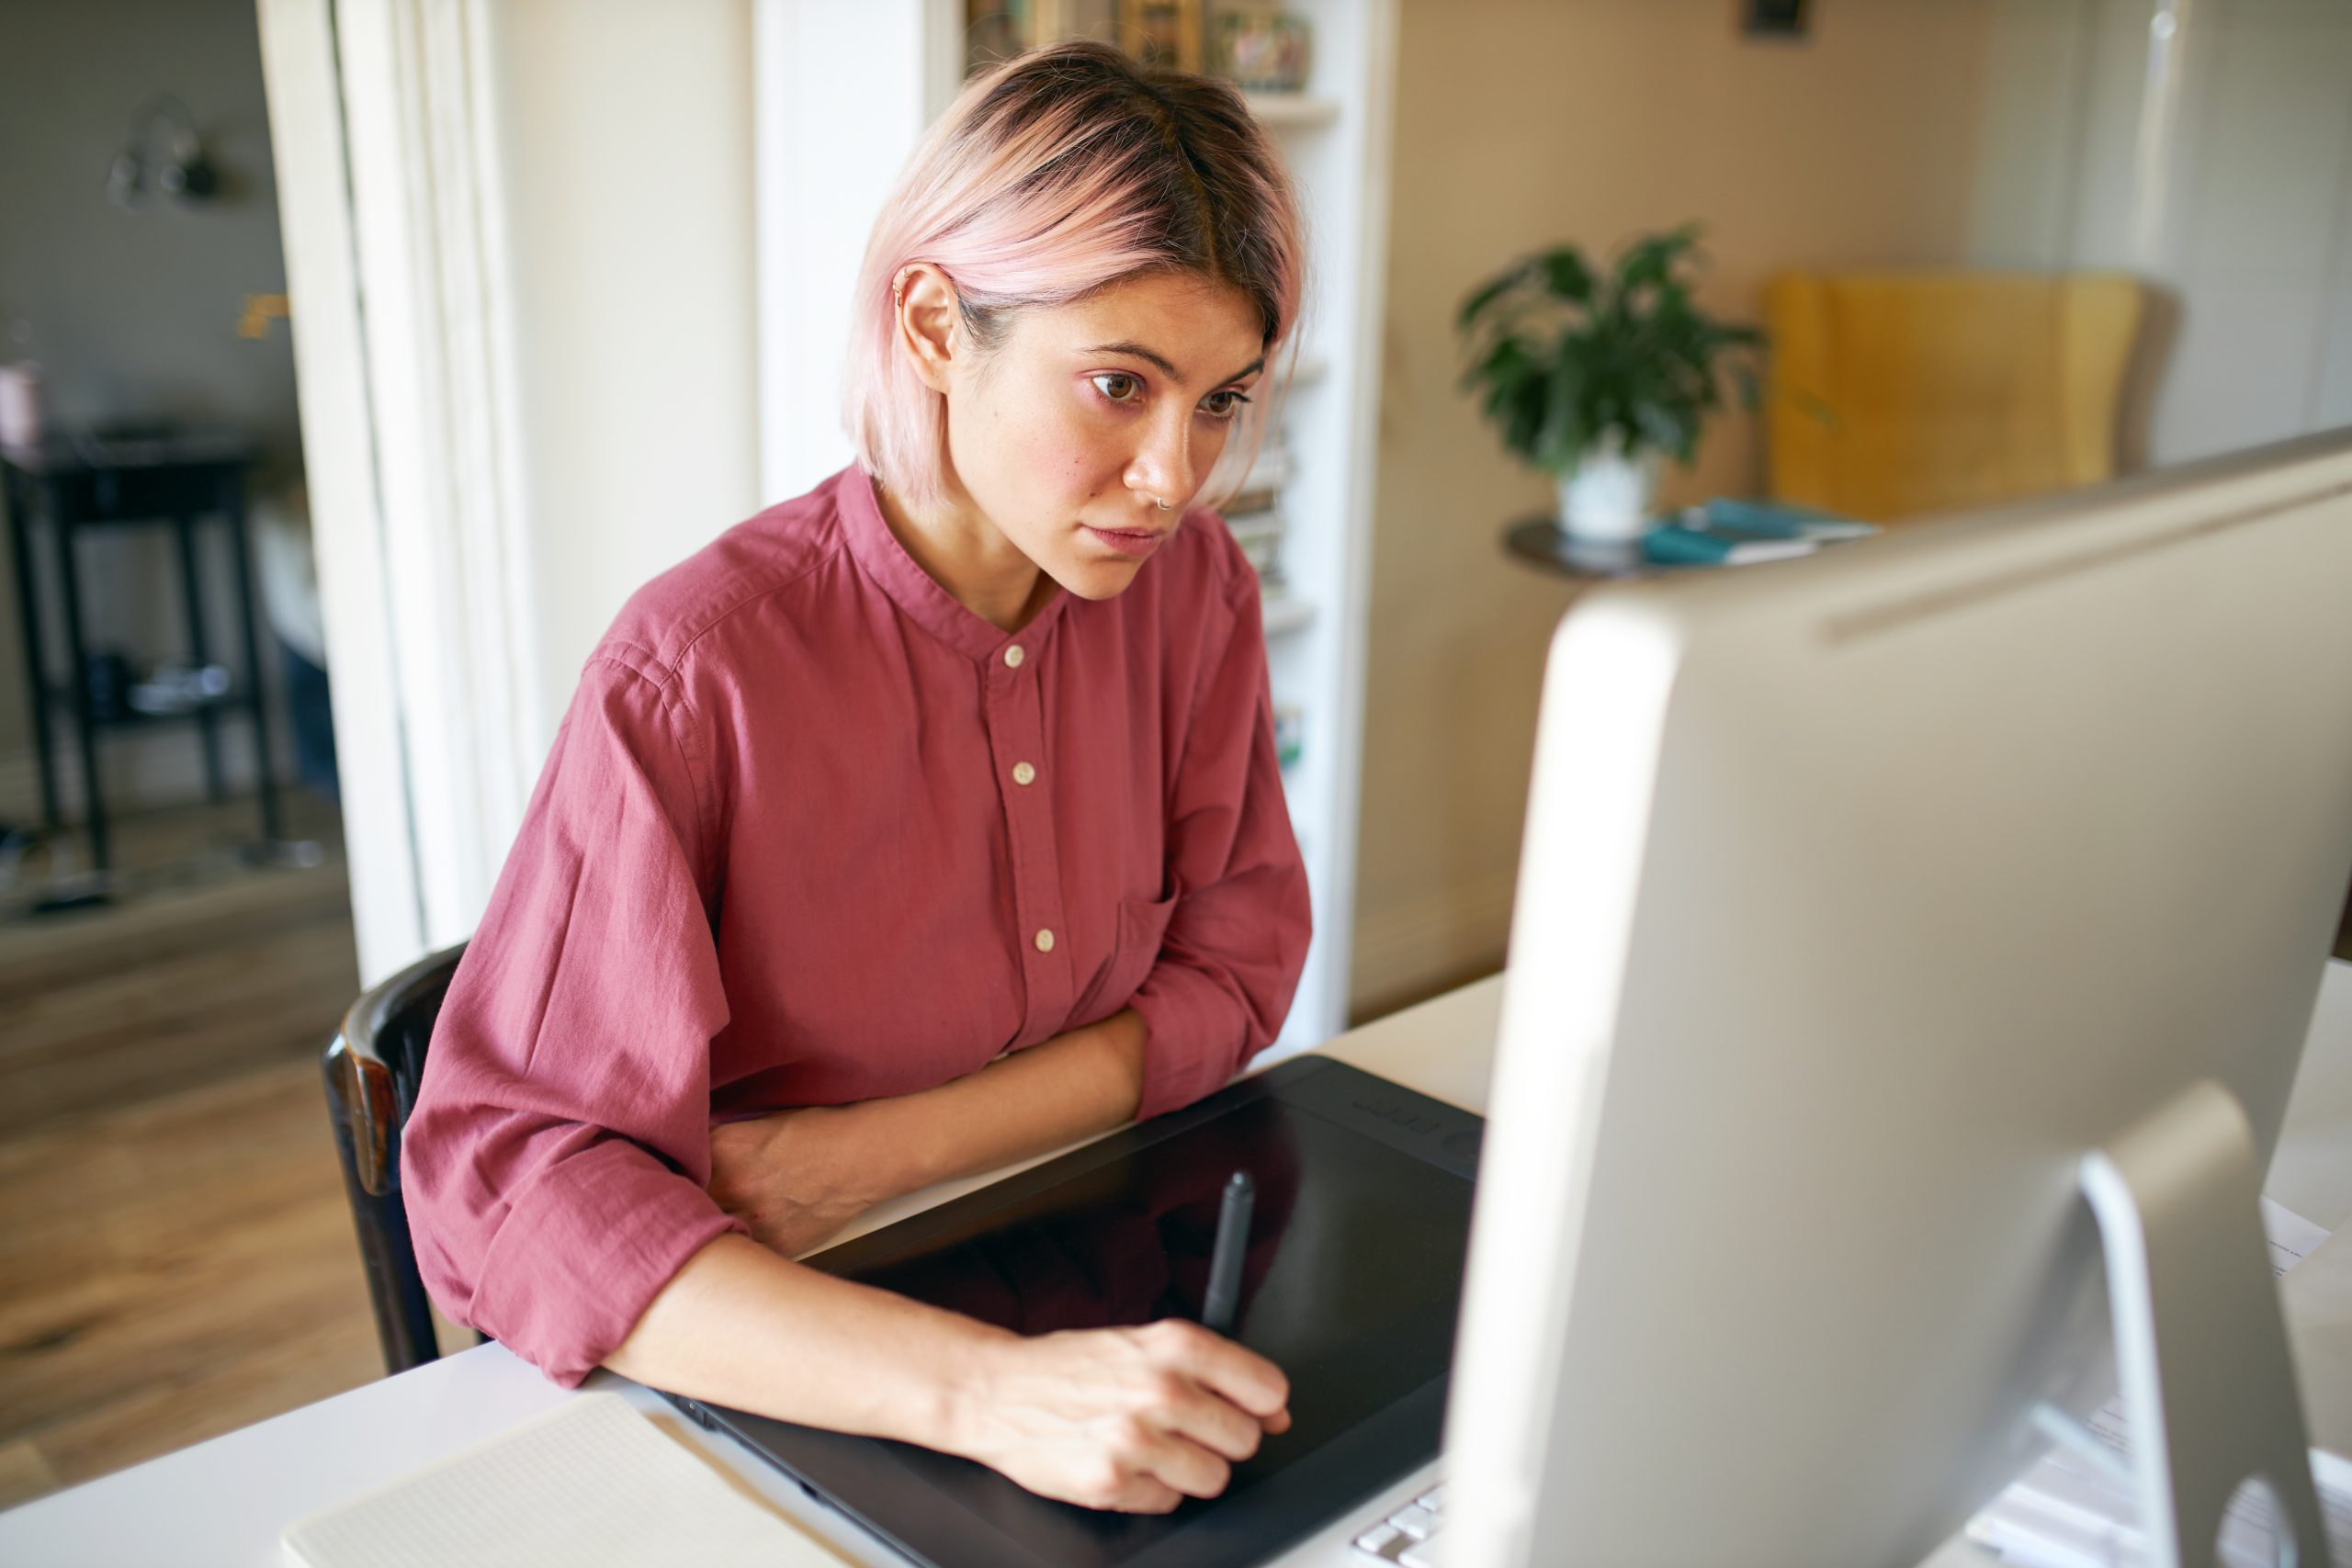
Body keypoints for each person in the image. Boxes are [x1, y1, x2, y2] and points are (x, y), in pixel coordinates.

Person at [401, 39, 1314, 1517]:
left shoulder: (1194, 591)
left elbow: (1236, 967)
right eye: (1118, 385)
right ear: (937, 324)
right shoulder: (696, 671)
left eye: (1221, 400)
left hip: (1103, 1288)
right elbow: (511, 1185)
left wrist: (870, 1157)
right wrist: (980, 1392)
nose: (1176, 474)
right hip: (800, 1349)